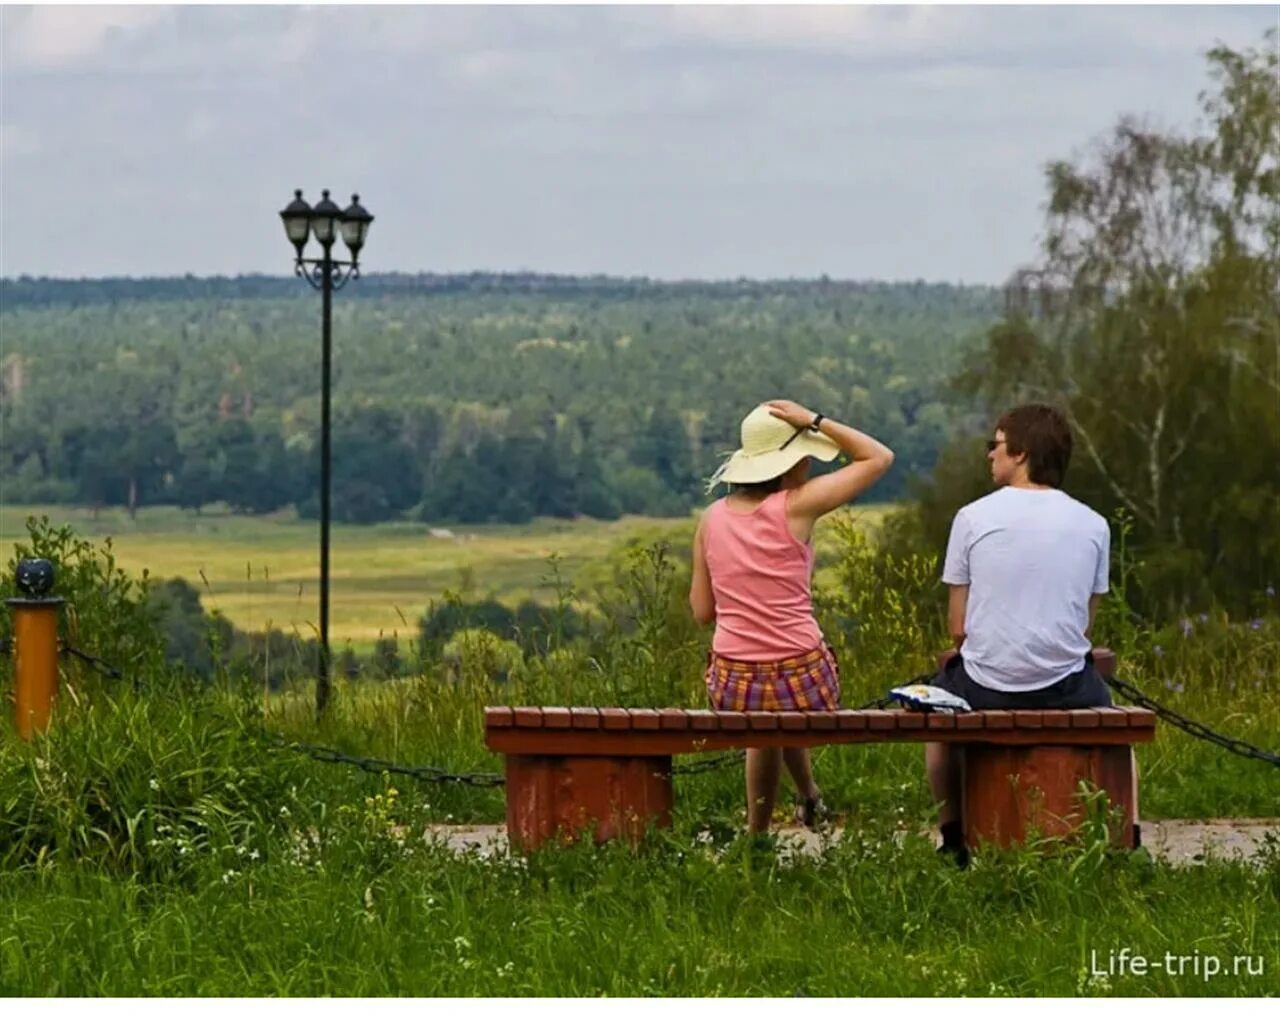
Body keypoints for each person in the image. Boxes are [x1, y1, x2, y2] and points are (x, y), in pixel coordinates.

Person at [690, 399, 894, 834]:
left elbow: (701, 612)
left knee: (764, 723)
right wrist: (815, 421)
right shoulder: (798, 505)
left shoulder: (710, 520)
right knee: (778, 706)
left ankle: (765, 830)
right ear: (788, 464)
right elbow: (879, 457)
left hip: (733, 685)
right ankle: (805, 799)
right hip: (804, 680)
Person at [927, 403, 1114, 866]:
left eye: (995, 445)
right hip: (1065, 686)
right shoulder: (1094, 524)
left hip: (986, 685)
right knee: (1116, 726)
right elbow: (1084, 626)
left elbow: (958, 629)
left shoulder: (971, 518)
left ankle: (953, 838)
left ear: (1022, 452)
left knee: (936, 724)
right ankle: (1123, 834)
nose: (989, 455)